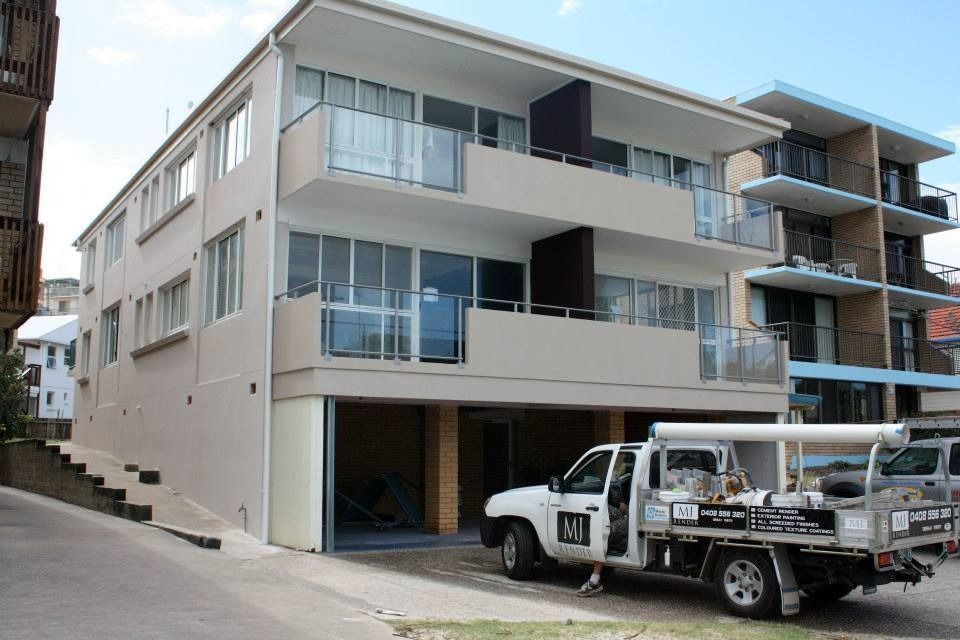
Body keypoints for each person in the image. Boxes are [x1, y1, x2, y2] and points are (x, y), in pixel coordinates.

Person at [576, 455, 632, 597]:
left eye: (624, 460)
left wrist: (627, 510)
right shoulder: (622, 475)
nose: (622, 462)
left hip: (633, 518)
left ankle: (594, 581)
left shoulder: (625, 474)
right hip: (624, 514)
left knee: (603, 533)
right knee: (606, 521)